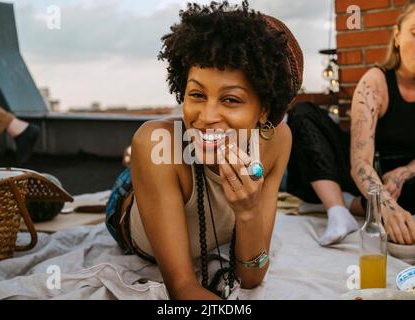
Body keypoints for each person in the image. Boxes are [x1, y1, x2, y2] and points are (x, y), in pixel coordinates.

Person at [106, 0, 303, 300]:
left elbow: (251, 277)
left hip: (171, 162)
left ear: (264, 110)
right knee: (149, 149)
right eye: (197, 94)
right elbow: (183, 289)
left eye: (230, 100)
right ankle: (134, 166)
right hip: (137, 189)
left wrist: (249, 212)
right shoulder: (154, 143)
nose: (207, 116)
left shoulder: (278, 141)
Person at [286, 2, 415, 246]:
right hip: (360, 176)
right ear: (397, 36)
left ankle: (349, 204)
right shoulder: (376, 82)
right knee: (303, 113)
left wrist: (404, 172)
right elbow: (360, 164)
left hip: (404, 185)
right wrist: (386, 208)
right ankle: (338, 209)